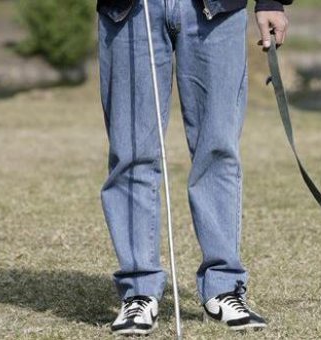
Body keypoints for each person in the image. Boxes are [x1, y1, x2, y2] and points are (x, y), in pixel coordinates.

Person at [96, 0, 291, 335]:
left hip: (217, 11)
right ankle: (138, 291)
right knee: (130, 153)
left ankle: (223, 287)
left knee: (218, 149)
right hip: (128, 10)